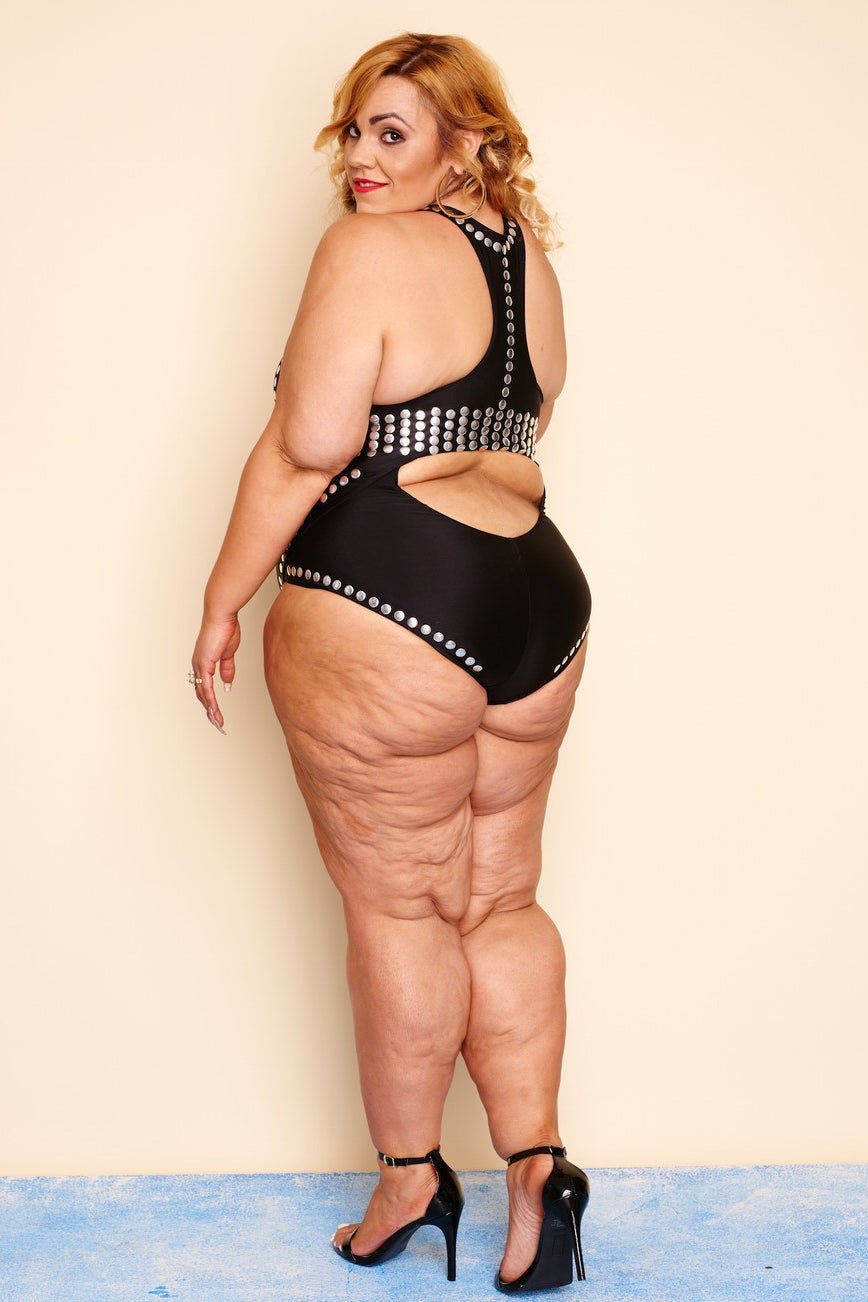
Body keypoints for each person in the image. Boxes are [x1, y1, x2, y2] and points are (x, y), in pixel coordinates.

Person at [190, 31, 593, 1293]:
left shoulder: (366, 251)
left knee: (399, 907)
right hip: (539, 597)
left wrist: (222, 597)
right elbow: (527, 418)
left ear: (465, 143)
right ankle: (539, 1172)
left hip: (392, 592)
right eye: (355, 131)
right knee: (501, 900)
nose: (360, 160)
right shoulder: (527, 262)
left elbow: (307, 446)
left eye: (392, 133)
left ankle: (412, 1180)